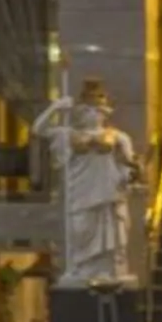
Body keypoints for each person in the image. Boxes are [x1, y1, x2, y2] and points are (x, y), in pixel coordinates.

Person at [36, 78, 141, 287]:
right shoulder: (68, 134)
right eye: (87, 111)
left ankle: (109, 270)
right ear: (79, 113)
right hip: (81, 193)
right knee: (80, 230)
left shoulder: (119, 137)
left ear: (105, 113)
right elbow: (38, 130)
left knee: (111, 234)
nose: (93, 115)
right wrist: (55, 107)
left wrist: (131, 174)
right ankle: (79, 269)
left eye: (98, 111)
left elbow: (132, 165)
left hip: (109, 193)